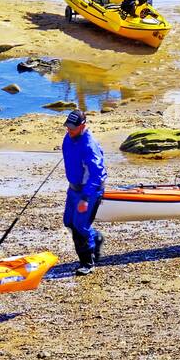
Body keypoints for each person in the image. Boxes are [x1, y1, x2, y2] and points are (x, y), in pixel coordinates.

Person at [61, 110, 106, 276]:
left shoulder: (89, 145)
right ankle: (96, 238)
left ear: (83, 126)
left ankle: (87, 262)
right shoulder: (69, 137)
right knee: (68, 222)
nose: (69, 131)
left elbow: (97, 174)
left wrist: (86, 198)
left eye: (73, 128)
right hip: (74, 188)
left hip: (89, 190)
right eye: (68, 127)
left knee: (80, 226)